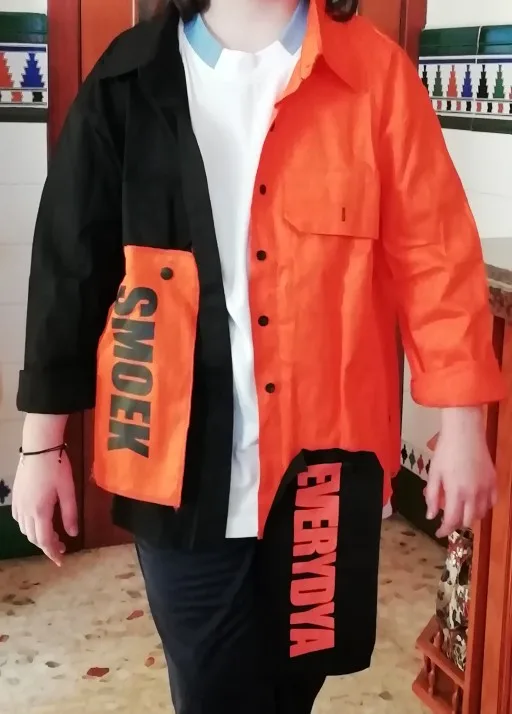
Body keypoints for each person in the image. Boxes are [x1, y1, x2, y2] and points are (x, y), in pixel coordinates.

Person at [12, 0, 505, 712]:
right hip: (172, 463)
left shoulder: (375, 76)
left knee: (292, 687)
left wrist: (461, 425)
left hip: (324, 471)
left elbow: (436, 257)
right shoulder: (128, 78)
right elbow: (70, 268)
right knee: (214, 690)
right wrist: (40, 447)